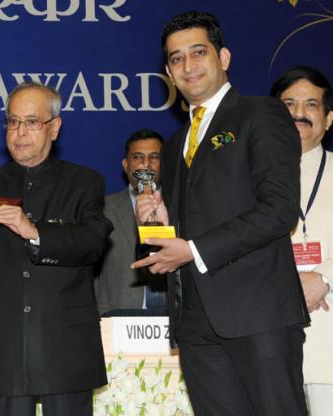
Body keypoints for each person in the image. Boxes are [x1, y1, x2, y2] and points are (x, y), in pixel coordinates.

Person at [132, 11, 309, 415]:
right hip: (194, 320)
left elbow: (280, 210)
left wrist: (194, 250)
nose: (188, 65)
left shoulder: (260, 114)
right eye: (176, 58)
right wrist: (159, 223)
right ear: (168, 73)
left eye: (199, 52)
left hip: (258, 314)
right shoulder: (174, 145)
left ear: (223, 57)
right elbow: (187, 228)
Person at [0, 82, 112, 416]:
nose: (20, 132)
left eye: (32, 122)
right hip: (5, 344)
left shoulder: (84, 182)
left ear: (55, 127)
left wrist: (34, 232)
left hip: (66, 345)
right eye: (13, 121)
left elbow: (92, 243)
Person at [271, 66, 333, 416]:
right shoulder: (246, 178)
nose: (299, 113)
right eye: (289, 104)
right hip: (270, 342)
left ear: (329, 118)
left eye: (311, 104)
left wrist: (324, 277)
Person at [95, 129, 167, 314]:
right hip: (115, 318)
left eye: (154, 157)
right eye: (137, 157)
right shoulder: (101, 209)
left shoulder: (183, 207)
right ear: (126, 165)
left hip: (174, 317)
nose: (146, 164)